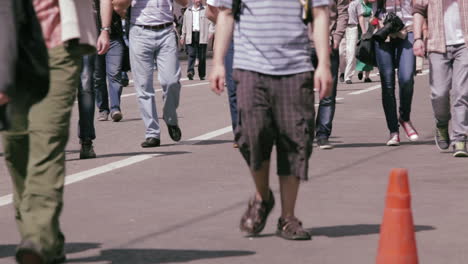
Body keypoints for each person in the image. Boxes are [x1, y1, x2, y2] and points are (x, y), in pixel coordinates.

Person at [210, 0, 332, 240]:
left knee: (295, 141)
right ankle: (263, 196)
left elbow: (319, 14)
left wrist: (324, 65)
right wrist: (217, 63)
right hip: (249, 67)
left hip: (296, 68)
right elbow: (224, 15)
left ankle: (288, 217)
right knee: (251, 136)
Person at [2, 0, 97, 263]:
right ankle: (48, 241)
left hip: (59, 47)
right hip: (10, 51)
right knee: (16, 145)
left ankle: (38, 238)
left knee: (46, 139)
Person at [113, 0, 188, 148]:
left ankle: (170, 116)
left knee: (171, 81)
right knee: (143, 86)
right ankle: (152, 133)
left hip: (166, 31)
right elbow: (117, 5)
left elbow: (185, 2)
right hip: (140, 32)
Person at [413, 0, 468, 157]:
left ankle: (460, 138)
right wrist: (417, 38)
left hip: (464, 45)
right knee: (439, 93)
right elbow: (418, 10)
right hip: (437, 45)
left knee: (462, 93)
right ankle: (442, 123)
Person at [373, 0, 419, 146]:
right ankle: (393, 131)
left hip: (408, 29)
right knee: (387, 83)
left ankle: (404, 118)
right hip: (383, 29)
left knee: (406, 78)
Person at [310, 0, 349, 149]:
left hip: (329, 43)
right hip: (303, 46)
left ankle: (322, 135)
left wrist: (337, 37)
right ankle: (305, 133)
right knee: (302, 93)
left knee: (328, 93)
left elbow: (343, 12)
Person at [78, 0, 114, 159]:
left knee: (86, 85)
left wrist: (105, 30)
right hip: (52, 29)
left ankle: (86, 141)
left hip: (85, 29)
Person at [206, 0, 239, 148]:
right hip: (232, 38)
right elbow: (211, 12)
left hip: (262, 39)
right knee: (233, 87)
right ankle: (240, 132)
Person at [94, 1, 126, 122]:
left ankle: (115, 108)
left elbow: (122, 9)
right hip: (94, 37)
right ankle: (103, 109)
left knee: (115, 73)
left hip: (114, 37)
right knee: (98, 77)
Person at [180, 0, 211, 81]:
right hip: (191, 35)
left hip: (202, 35)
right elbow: (184, 25)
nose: (199, 1)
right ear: (193, 1)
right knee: (191, 54)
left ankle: (202, 74)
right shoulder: (188, 11)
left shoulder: (205, 9)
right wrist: (182, 36)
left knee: (202, 57)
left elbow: (211, 22)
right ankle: (190, 72)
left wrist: (211, 32)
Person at [355, 0, 373, 83]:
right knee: (362, 49)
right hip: (361, 28)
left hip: (370, 27)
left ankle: (367, 76)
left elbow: (374, 15)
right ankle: (360, 70)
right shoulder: (359, 3)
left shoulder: (371, 4)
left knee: (370, 51)